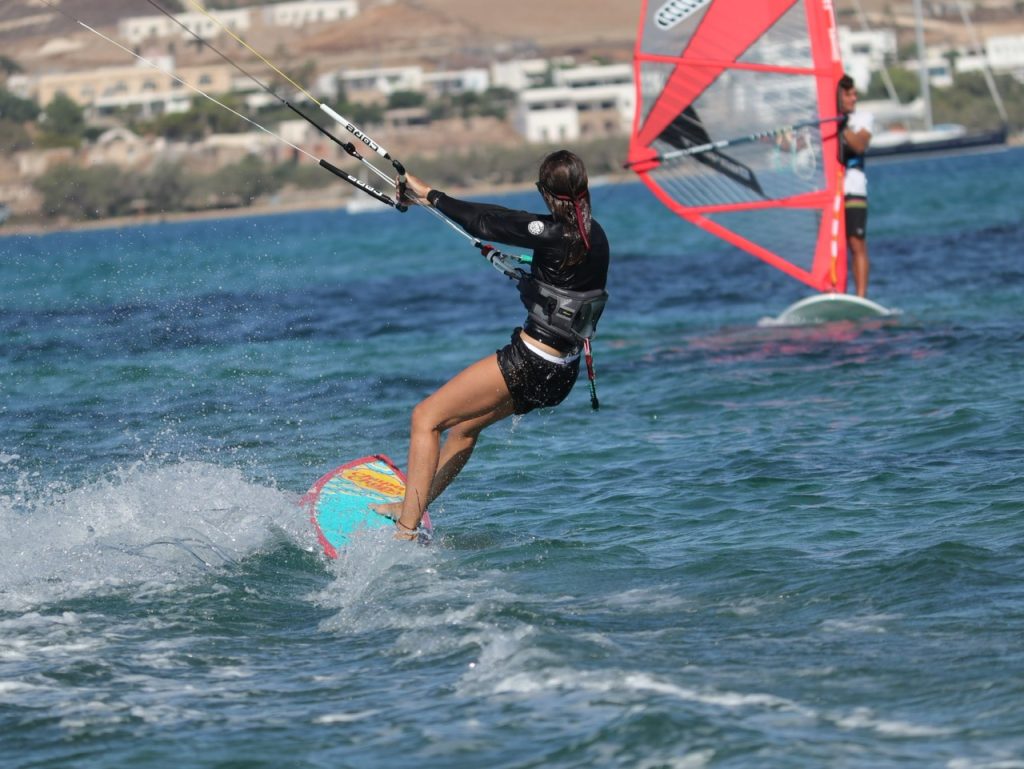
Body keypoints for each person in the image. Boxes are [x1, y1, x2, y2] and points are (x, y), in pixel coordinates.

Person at [373, 150, 610, 540]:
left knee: (425, 418)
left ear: (544, 191)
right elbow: (556, 282)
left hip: (532, 361)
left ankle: (405, 532)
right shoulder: (594, 236)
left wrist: (429, 193)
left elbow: (488, 221)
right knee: (464, 428)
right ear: (583, 189)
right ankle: (410, 507)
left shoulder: (551, 234)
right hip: (563, 374)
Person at [838, 73, 874, 298]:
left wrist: (841, 126)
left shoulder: (863, 118)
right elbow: (801, 144)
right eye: (848, 94)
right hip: (828, 190)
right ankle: (833, 292)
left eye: (855, 94)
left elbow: (859, 145)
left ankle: (861, 297)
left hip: (853, 188)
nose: (854, 98)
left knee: (856, 243)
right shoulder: (821, 119)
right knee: (832, 245)